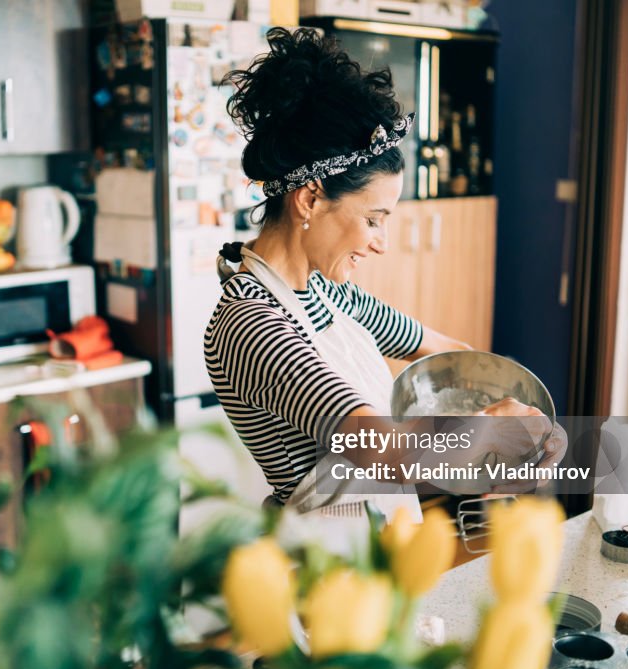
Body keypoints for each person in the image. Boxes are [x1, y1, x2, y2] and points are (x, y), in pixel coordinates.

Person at [205, 28, 565, 525]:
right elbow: (378, 446)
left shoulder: (328, 293)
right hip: (324, 562)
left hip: (383, 537)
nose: (381, 241)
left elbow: (445, 354)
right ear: (309, 199)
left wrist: (521, 406)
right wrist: (486, 429)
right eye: (372, 219)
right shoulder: (251, 324)